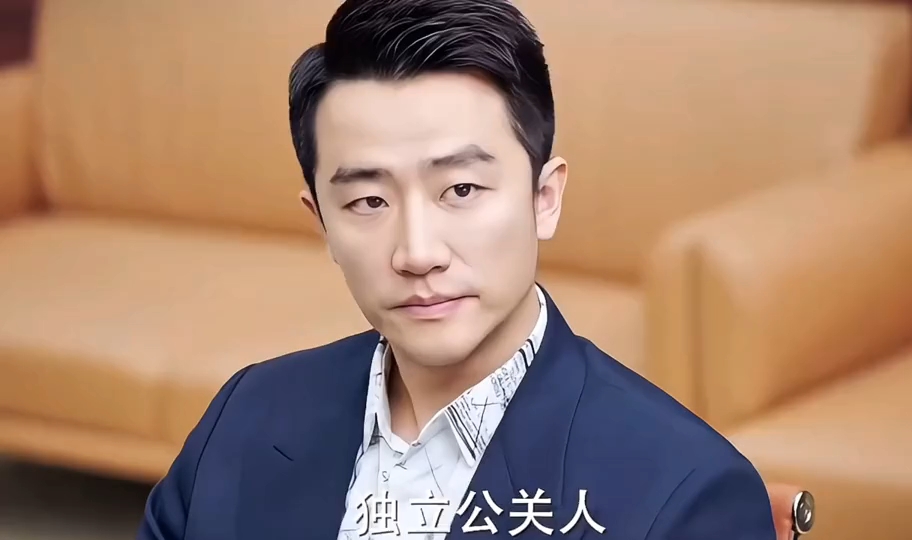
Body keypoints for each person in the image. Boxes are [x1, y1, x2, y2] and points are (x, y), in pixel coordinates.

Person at [137, 0, 777, 538]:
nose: (417, 253)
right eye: (369, 201)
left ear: (544, 198)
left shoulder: (686, 492)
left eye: (461, 190)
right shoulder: (248, 412)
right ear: (322, 222)